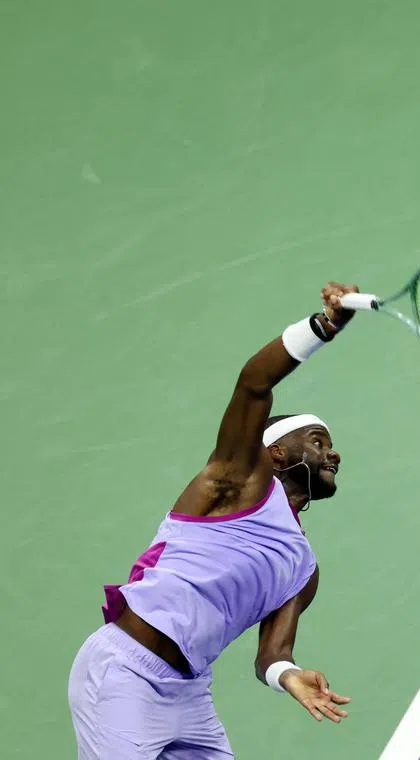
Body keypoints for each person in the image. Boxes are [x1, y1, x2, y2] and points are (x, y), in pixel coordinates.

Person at [68, 282, 360, 759]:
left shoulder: (304, 570)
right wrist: (322, 326)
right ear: (275, 451)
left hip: (188, 694)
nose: (334, 452)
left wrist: (290, 677)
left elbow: (272, 655)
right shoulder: (235, 480)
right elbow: (254, 383)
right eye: (318, 440)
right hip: (126, 674)